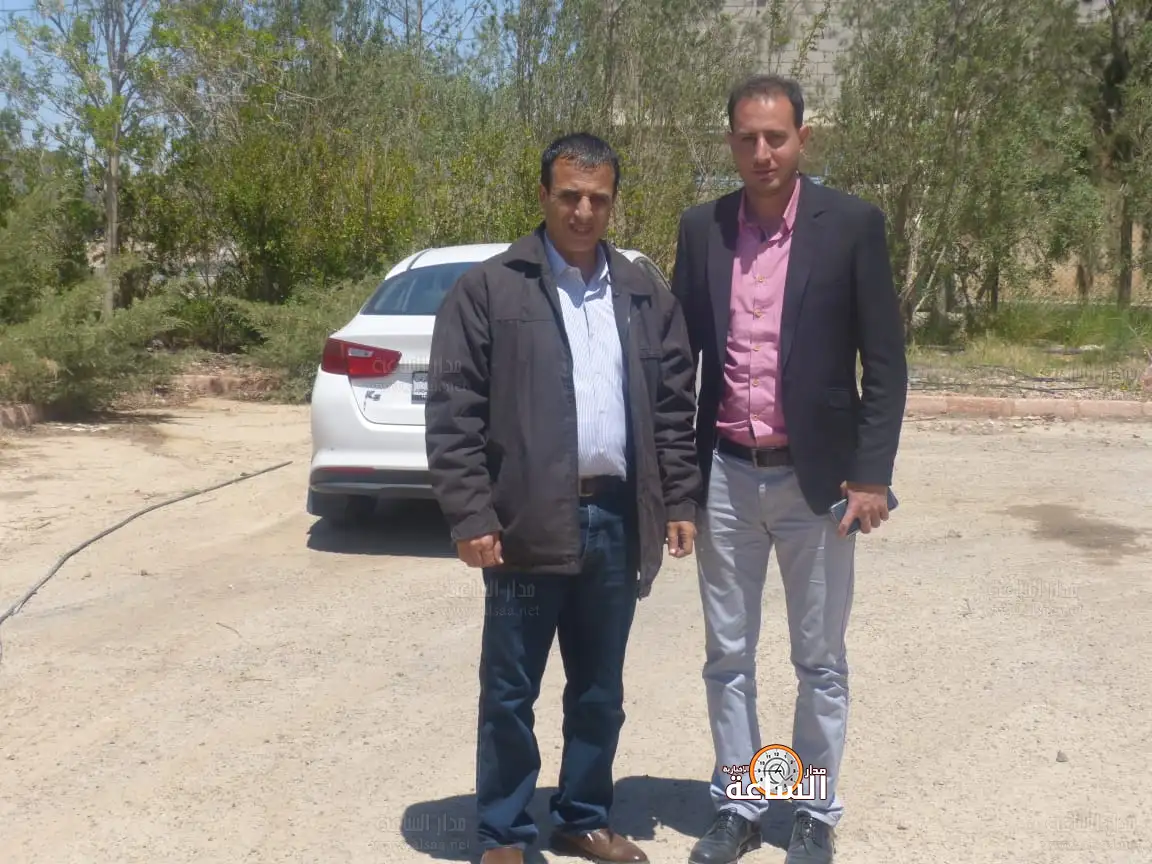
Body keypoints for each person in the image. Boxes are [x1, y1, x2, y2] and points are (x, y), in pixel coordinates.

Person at [425, 132, 702, 864]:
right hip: (525, 526)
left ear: (613, 203)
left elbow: (673, 406)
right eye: (570, 196)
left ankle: (581, 817)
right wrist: (471, 514)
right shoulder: (491, 288)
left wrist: (680, 500)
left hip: (615, 519)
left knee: (599, 689)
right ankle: (503, 832)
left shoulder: (642, 293)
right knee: (510, 689)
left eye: (598, 199)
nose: (584, 211)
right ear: (544, 194)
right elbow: (454, 411)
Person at [669, 75, 908, 864]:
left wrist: (871, 475)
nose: (762, 151)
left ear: (803, 138)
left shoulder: (852, 226)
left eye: (776, 136)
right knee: (727, 655)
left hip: (821, 482)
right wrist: (678, 485)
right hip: (726, 476)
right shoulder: (701, 229)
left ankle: (812, 809)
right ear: (730, 143)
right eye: (748, 138)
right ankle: (739, 803)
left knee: (820, 660)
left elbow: (885, 362)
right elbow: (678, 364)